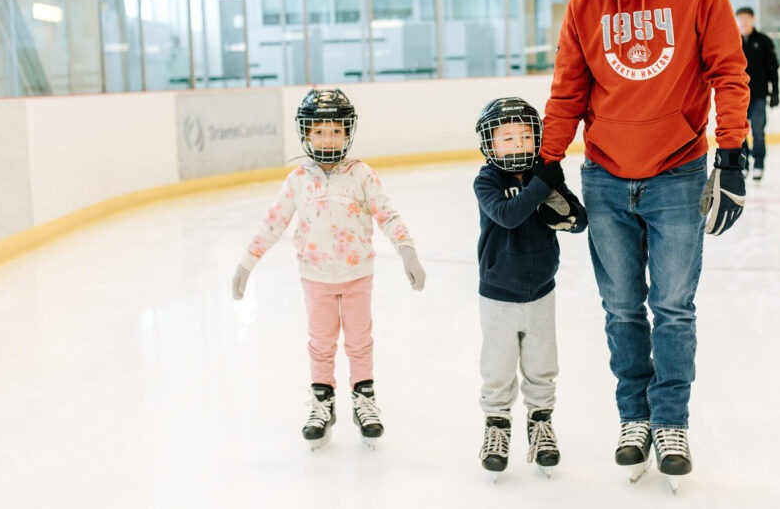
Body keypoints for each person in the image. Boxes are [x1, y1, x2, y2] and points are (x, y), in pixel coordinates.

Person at [538, 0, 750, 485]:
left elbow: (729, 73)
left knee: (674, 308)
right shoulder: (584, 4)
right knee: (622, 309)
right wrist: (549, 165)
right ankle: (635, 416)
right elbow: (567, 92)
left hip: (677, 174)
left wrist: (731, 157)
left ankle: (672, 420)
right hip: (605, 177)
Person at [231, 88, 427, 450]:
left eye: (336, 130)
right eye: (319, 131)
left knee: (359, 340)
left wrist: (407, 250)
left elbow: (387, 213)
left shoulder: (361, 175)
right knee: (321, 343)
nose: (328, 138)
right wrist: (247, 262)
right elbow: (272, 222)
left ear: (347, 131)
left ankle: (363, 399)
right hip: (316, 278)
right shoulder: (298, 180)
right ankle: (322, 403)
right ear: (305, 133)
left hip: (357, 276)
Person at [472, 97, 587, 478]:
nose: (517, 144)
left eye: (524, 136)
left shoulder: (544, 175)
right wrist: (543, 184)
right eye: (506, 138)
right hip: (498, 293)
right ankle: (497, 425)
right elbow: (507, 215)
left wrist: (565, 212)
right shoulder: (487, 180)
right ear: (490, 144)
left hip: (541, 290)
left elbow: (578, 218)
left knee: (541, 364)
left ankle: (540, 423)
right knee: (498, 365)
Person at [735, 6, 780, 181]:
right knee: (740, 132)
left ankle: (759, 164)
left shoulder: (763, 41)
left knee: (758, 131)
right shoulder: (731, 42)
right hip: (738, 96)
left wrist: (775, 92)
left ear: (752, 19)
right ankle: (744, 164)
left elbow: (773, 69)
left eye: (747, 18)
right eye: (740, 18)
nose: (744, 22)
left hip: (759, 95)